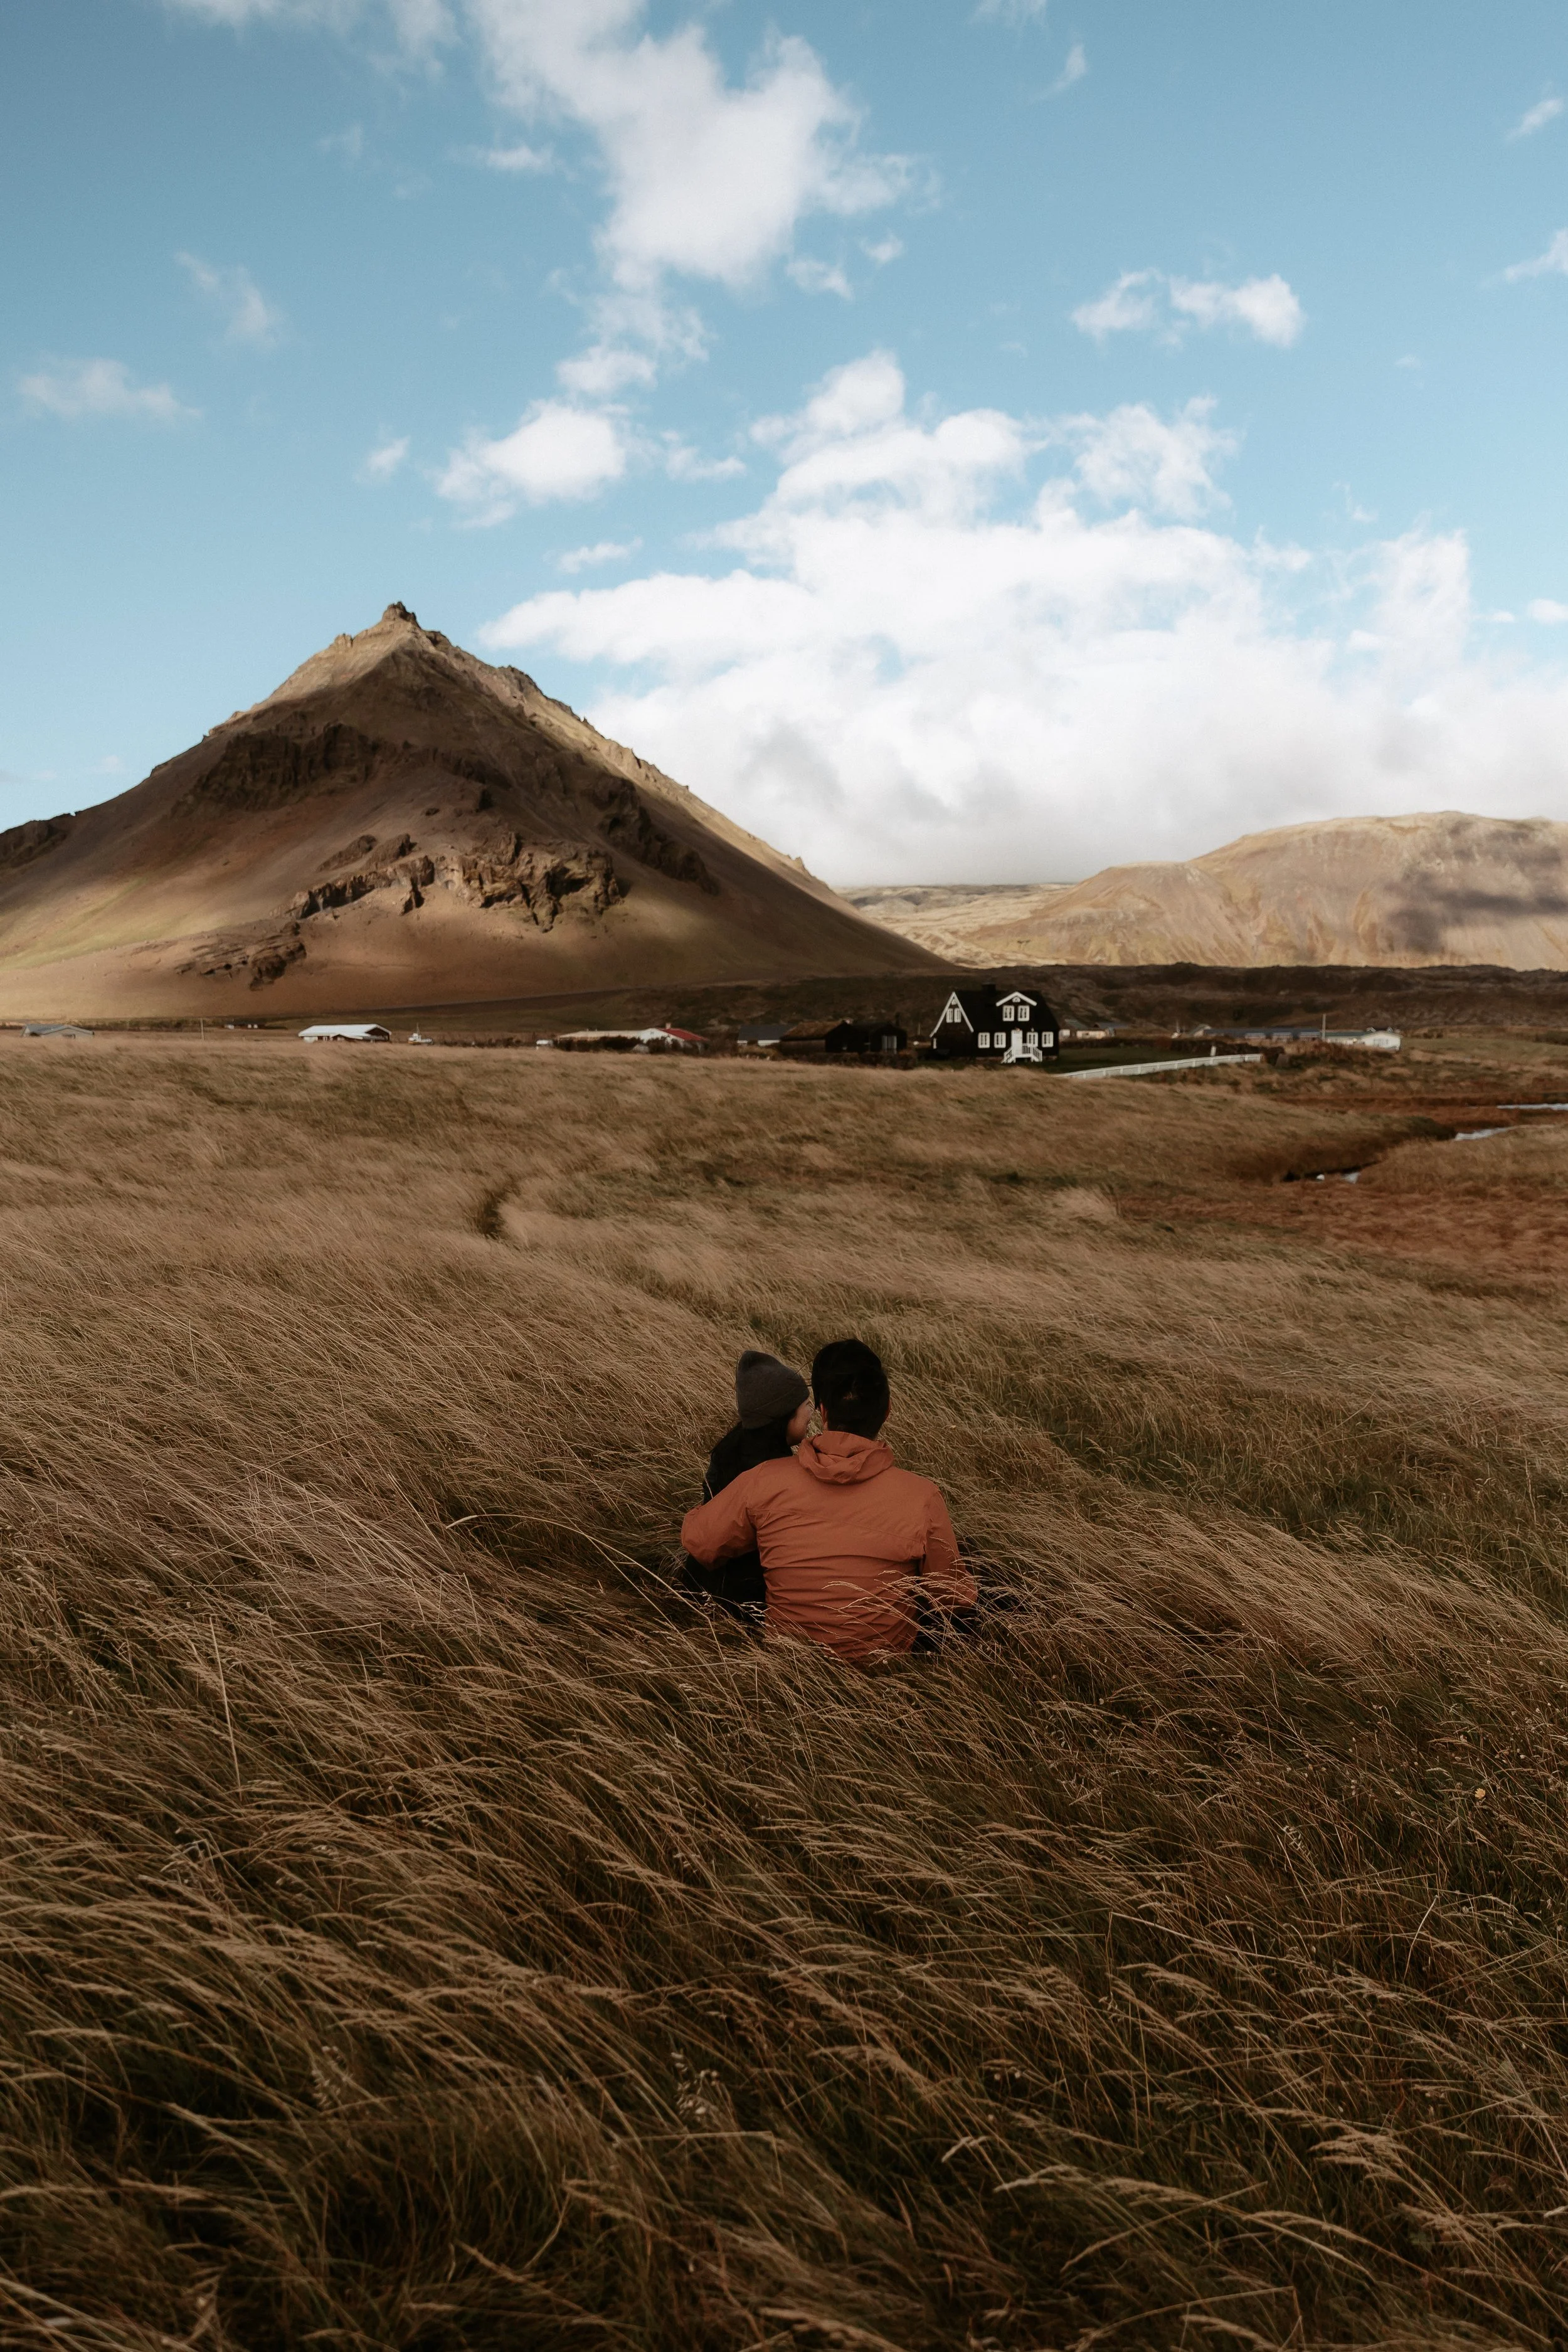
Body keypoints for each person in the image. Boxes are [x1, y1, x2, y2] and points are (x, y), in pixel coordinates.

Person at [681, 1338, 977, 1663]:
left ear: (822, 1411)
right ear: (887, 1410)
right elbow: (952, 1599)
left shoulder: (764, 1479)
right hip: (883, 1673)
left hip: (786, 1668)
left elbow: (699, 1541)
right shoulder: (923, 1497)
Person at [684, 1350, 813, 1617]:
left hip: (701, 1582)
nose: (811, 1414)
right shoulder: (773, 1473)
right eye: (804, 1406)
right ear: (782, 1418)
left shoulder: (730, 1450)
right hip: (741, 1602)